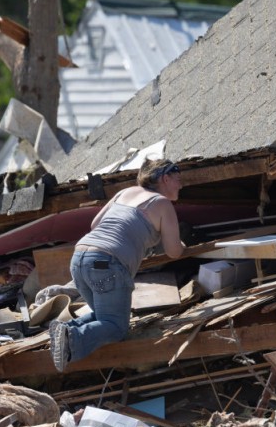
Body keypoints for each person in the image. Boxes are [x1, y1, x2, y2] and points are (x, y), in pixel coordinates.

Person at [49, 159, 186, 371]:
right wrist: (180, 244)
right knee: (116, 326)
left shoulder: (125, 192)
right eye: (178, 179)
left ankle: (65, 329)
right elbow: (173, 251)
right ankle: (72, 337)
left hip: (79, 258)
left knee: (106, 316)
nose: (181, 185)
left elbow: (95, 224)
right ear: (165, 178)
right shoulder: (161, 203)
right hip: (107, 264)